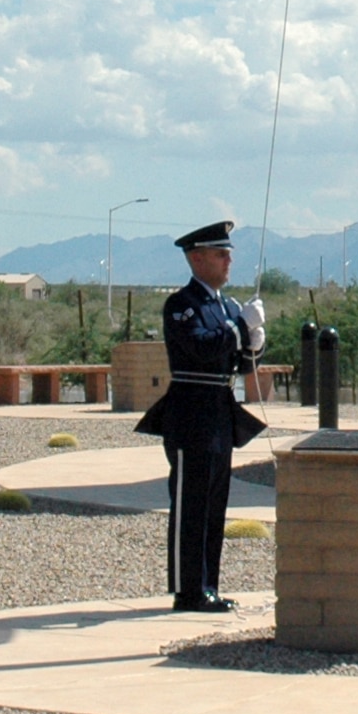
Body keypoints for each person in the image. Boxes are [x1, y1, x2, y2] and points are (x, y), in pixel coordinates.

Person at [134, 219, 266, 612]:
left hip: (220, 413)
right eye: (220, 254)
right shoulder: (182, 305)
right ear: (196, 258)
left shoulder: (225, 306)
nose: (228, 261)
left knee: (214, 502)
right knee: (191, 502)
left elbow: (237, 363)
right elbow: (201, 349)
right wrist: (241, 327)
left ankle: (208, 583)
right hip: (190, 413)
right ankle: (187, 589)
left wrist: (254, 345)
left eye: (228, 254)